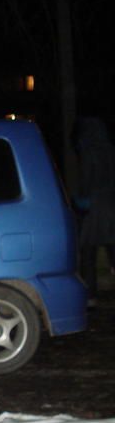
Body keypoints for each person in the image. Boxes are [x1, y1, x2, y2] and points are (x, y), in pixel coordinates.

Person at [75, 118, 115, 307]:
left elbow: (86, 180)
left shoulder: (88, 150)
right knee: (111, 248)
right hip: (111, 206)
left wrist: (80, 199)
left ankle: (91, 295)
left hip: (95, 209)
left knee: (88, 251)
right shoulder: (110, 149)